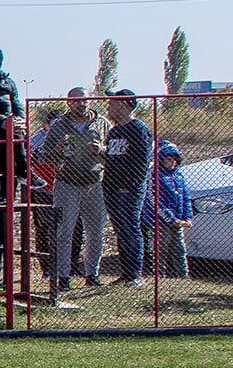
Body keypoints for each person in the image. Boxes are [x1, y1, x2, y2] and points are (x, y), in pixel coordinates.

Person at [40, 88, 109, 290]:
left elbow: (113, 152)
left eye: (85, 100)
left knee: (95, 230)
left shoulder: (101, 123)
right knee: (64, 231)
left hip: (94, 182)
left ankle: (92, 274)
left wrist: (101, 149)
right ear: (69, 103)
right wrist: (57, 150)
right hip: (66, 183)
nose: (82, 103)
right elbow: (44, 157)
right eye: (77, 100)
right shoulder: (58, 126)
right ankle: (63, 276)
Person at [102, 91, 153, 287]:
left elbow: (141, 162)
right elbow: (111, 155)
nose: (109, 106)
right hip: (112, 188)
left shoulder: (138, 129)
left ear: (123, 104)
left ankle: (135, 274)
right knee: (120, 229)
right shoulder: (115, 131)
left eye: (112, 102)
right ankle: (126, 273)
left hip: (128, 190)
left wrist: (129, 186)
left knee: (131, 228)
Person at [142, 141, 194, 283]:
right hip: (160, 221)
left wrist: (188, 216)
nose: (171, 162)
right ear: (161, 159)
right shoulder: (155, 175)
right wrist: (169, 218)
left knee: (180, 250)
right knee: (161, 250)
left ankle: (183, 277)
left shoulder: (179, 175)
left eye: (174, 159)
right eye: (168, 159)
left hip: (178, 220)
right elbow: (153, 200)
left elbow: (185, 197)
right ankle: (159, 277)